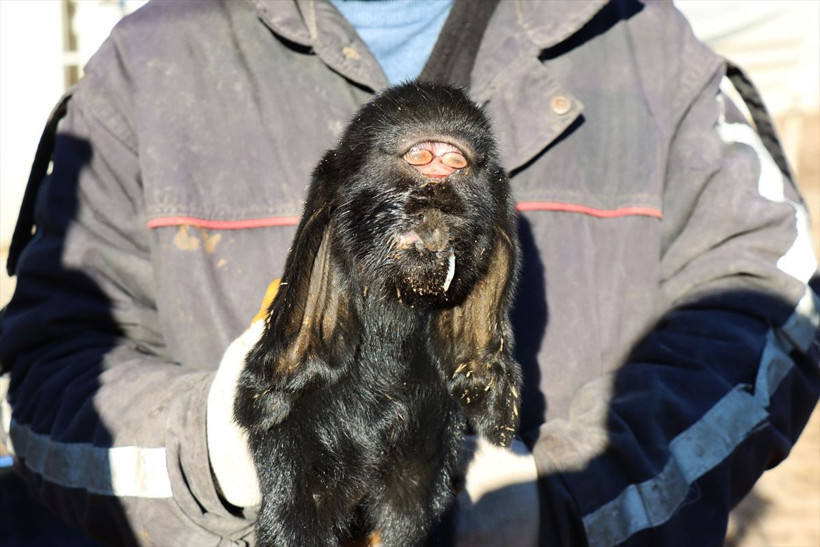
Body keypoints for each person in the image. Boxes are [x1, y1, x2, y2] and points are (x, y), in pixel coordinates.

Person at [1, 0, 818, 545]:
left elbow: (770, 311)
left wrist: (570, 500)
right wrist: (209, 446)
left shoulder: (651, 52)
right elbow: (51, 370)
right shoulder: (148, 62)